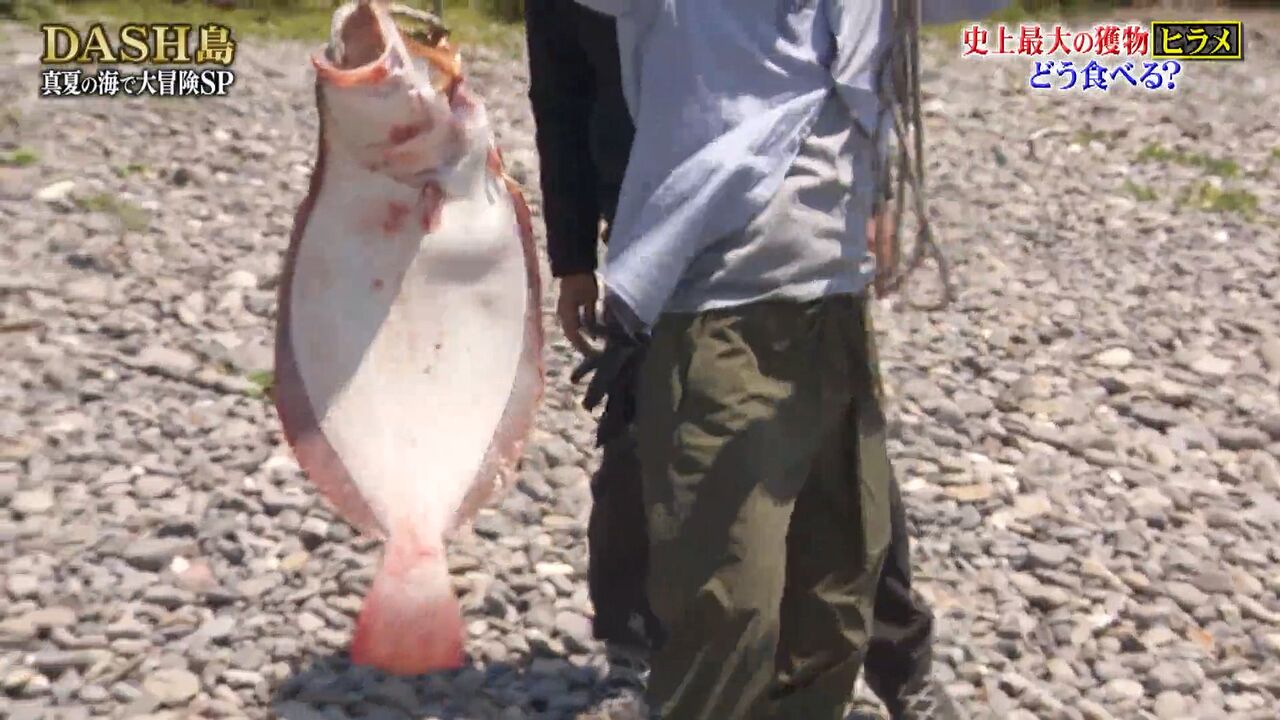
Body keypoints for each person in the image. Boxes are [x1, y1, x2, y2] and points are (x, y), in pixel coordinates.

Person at [525, 0, 983, 718]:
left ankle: (893, 675)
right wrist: (572, 252)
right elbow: (560, 94)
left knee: (834, 601)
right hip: (717, 320)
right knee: (729, 609)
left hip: (834, 311)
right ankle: (635, 657)